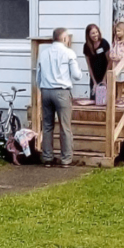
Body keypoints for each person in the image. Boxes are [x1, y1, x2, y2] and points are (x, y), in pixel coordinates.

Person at [36, 27, 82, 167]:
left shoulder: (43, 53)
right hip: (62, 91)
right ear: (63, 38)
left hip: (46, 91)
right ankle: (66, 159)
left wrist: (42, 87)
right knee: (65, 126)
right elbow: (76, 75)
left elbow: (38, 75)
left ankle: (47, 157)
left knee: (47, 126)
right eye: (67, 37)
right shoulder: (69, 53)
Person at [108, 21, 124, 103]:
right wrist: (112, 56)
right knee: (118, 82)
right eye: (116, 31)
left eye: (119, 31)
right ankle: (119, 97)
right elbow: (111, 51)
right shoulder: (115, 42)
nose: (117, 33)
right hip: (116, 65)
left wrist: (120, 57)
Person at [83, 24, 110, 99]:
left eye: (96, 32)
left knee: (105, 99)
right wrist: (94, 82)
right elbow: (89, 65)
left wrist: (104, 79)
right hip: (94, 76)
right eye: (92, 33)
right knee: (94, 98)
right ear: (88, 35)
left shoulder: (104, 43)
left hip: (105, 74)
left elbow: (110, 62)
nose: (95, 35)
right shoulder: (86, 46)